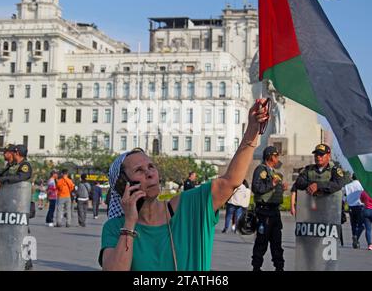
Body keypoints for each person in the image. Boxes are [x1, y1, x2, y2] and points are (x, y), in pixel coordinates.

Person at [99, 99, 269, 271]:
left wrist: (252, 130)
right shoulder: (115, 228)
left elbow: (230, 181)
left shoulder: (189, 206)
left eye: (151, 166)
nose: (150, 173)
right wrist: (129, 223)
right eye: (139, 170)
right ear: (124, 185)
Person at [251, 146, 288, 271]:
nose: (277, 158)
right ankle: (256, 267)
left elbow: (271, 189)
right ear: (270, 156)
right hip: (264, 212)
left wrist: (281, 188)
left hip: (274, 212)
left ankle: (279, 267)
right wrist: (271, 184)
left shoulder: (273, 171)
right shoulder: (261, 170)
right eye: (276, 156)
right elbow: (256, 188)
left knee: (277, 242)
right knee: (262, 241)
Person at [343, 173, 365, 249]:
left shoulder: (347, 186)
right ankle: (356, 236)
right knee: (362, 225)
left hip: (351, 207)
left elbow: (344, 197)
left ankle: (355, 241)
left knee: (353, 224)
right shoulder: (362, 185)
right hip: (360, 206)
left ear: (352, 178)